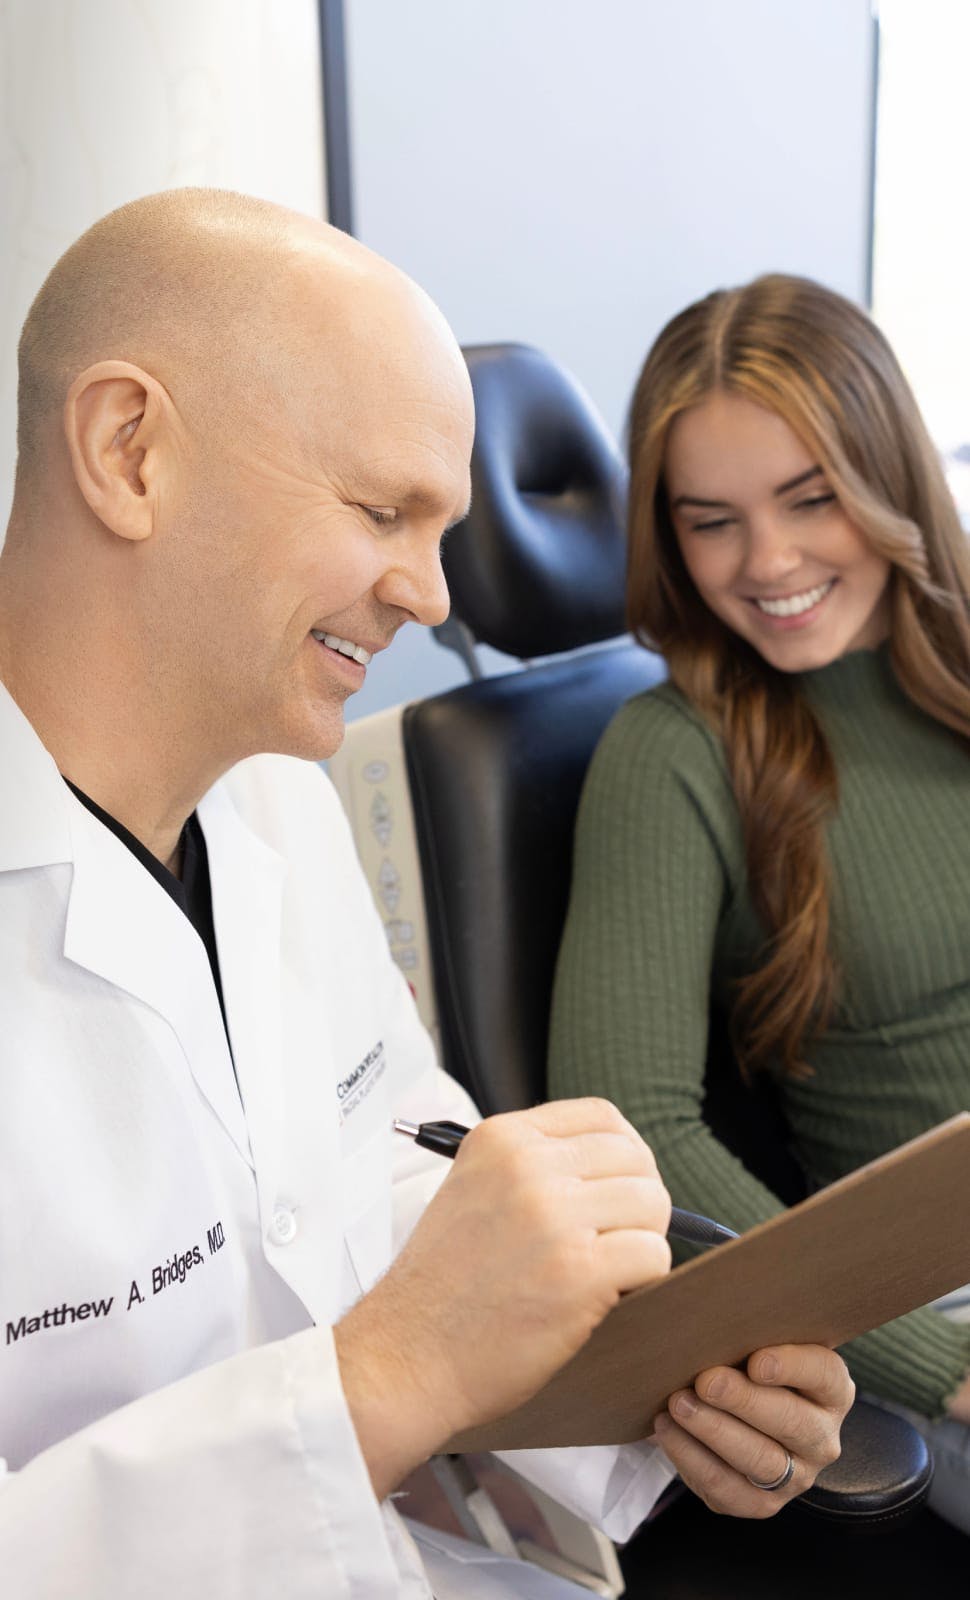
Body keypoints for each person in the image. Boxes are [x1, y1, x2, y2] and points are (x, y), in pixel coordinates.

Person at [0, 197, 853, 1599]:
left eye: (444, 524)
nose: (428, 588)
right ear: (128, 450)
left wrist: (659, 1362)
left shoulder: (272, 801)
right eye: (382, 509)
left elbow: (380, 1162)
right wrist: (386, 1374)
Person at [548, 271, 970, 1535]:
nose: (769, 561)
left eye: (810, 498)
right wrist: (934, 1368)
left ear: (888, 475)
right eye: (710, 520)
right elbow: (636, 1141)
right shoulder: (670, 752)